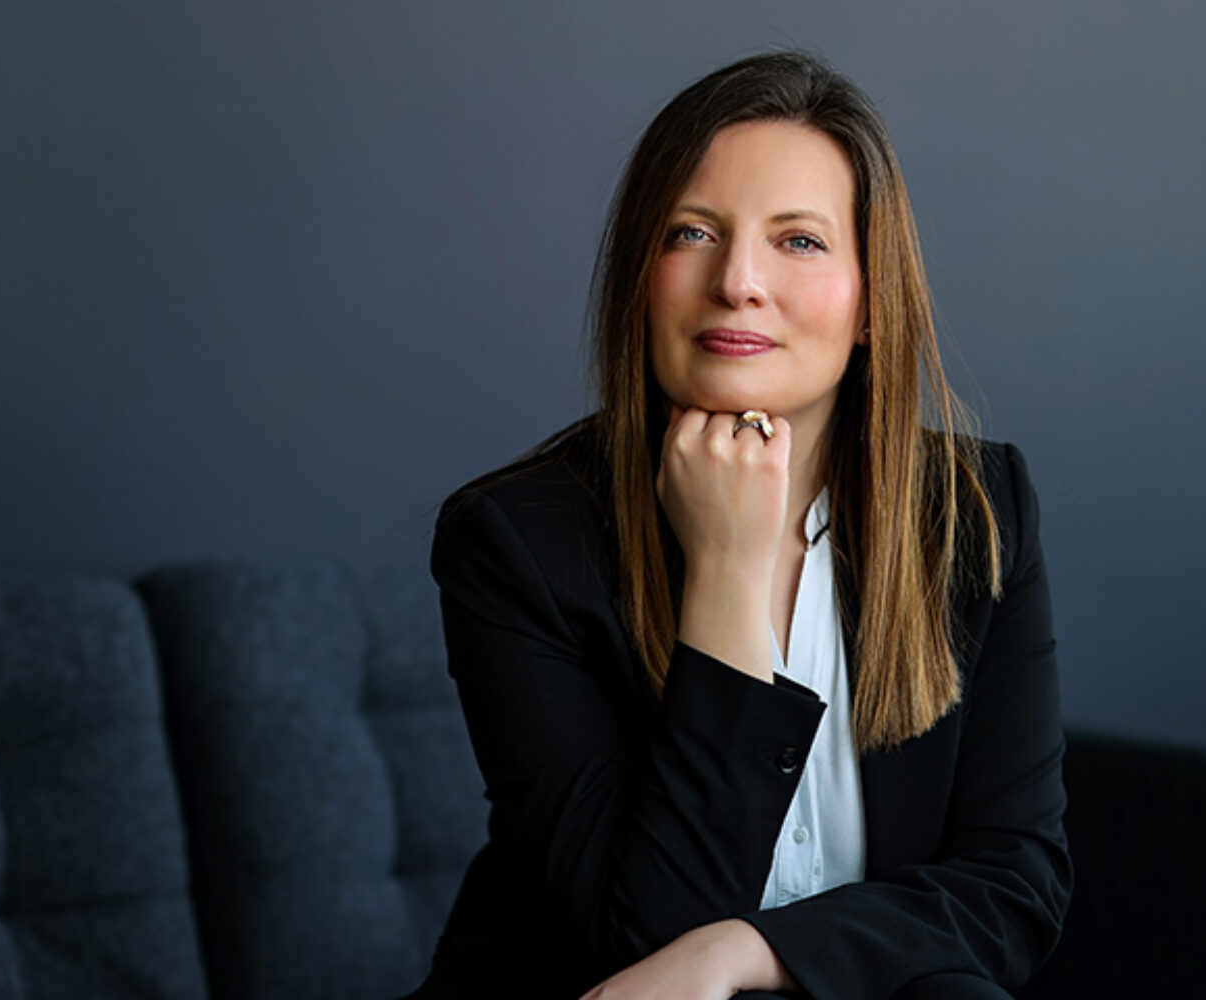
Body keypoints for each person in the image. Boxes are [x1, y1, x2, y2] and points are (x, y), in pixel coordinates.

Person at [406, 51, 1070, 1000]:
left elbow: (1012, 887)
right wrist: (726, 566)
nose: (738, 281)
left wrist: (744, 951)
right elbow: (643, 950)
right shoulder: (516, 543)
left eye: (799, 240)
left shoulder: (976, 509)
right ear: (642, 278)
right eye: (692, 232)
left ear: (871, 300)